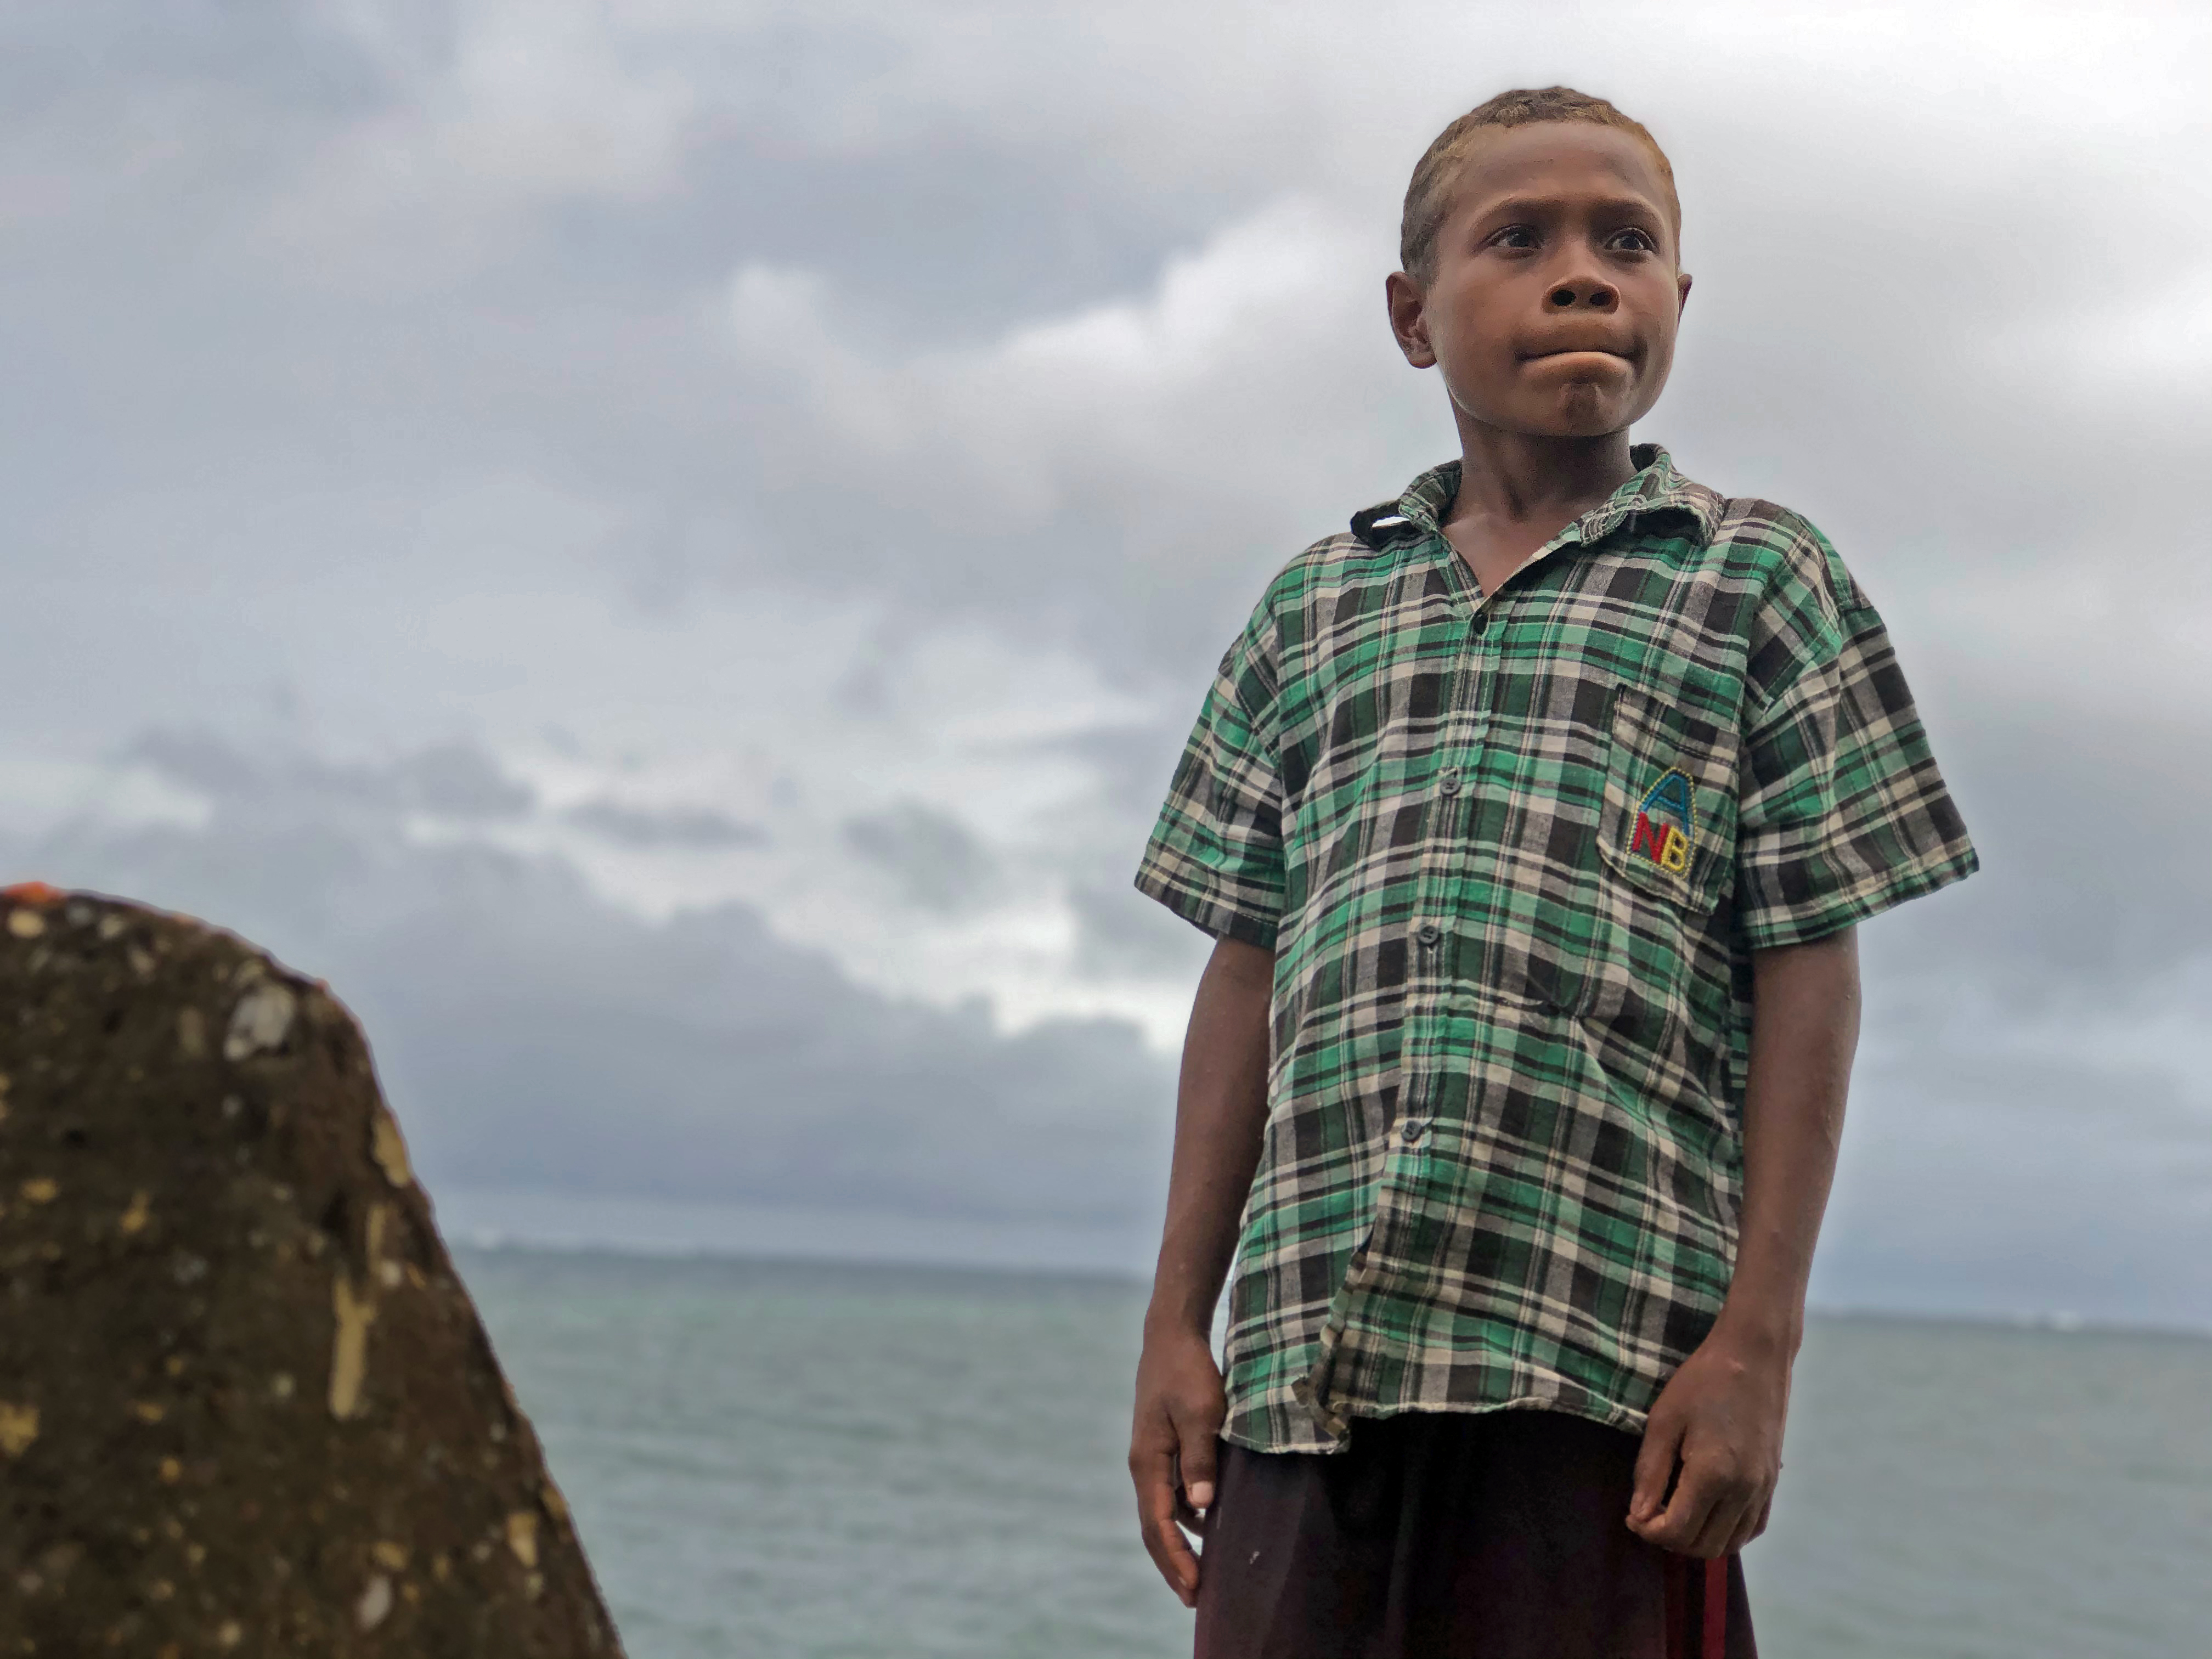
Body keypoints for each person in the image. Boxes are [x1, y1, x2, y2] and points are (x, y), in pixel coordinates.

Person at [1127, 86, 1978, 1658]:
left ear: (1678, 304)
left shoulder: (1752, 583)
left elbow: (1809, 971)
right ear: (1412, 316)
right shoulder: (1315, 610)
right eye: (1519, 240)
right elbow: (1244, 967)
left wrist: (1757, 1350)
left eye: (1629, 243)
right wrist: (1178, 1326)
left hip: (1604, 1380)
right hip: (1314, 1369)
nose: (1585, 276)